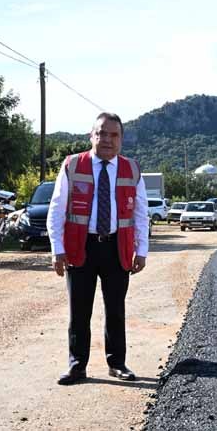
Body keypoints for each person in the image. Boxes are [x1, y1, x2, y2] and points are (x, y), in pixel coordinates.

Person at [46, 112, 149, 385]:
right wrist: (57, 248)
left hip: (117, 248)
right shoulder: (72, 165)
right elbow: (57, 208)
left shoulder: (132, 169)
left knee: (115, 309)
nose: (107, 139)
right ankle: (77, 366)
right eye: (101, 133)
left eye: (114, 135)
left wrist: (143, 250)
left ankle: (117, 364)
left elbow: (141, 213)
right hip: (81, 248)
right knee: (79, 310)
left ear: (122, 140)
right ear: (91, 136)